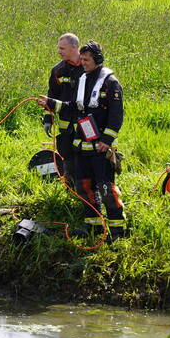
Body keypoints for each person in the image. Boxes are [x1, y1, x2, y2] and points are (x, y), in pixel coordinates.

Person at [38, 41, 126, 241]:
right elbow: (74, 107)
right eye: (82, 59)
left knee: (106, 189)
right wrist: (51, 104)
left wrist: (107, 140)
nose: (83, 63)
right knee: (84, 187)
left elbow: (116, 115)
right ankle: (93, 227)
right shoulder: (83, 79)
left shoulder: (110, 83)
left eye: (86, 60)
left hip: (100, 148)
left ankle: (118, 232)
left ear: (97, 60)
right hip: (81, 147)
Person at [44, 33, 83, 189]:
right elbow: (51, 96)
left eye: (62, 48)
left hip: (85, 125)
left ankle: (88, 192)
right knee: (68, 157)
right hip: (66, 125)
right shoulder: (58, 70)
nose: (59, 52)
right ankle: (71, 189)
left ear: (74, 47)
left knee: (85, 158)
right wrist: (48, 119)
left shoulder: (88, 67)